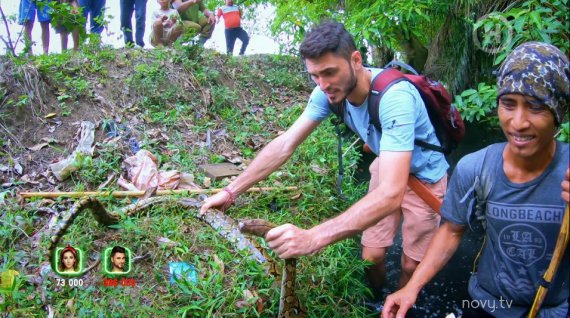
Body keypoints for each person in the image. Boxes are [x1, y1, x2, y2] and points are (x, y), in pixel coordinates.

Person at [200, 20, 449, 304]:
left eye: (330, 72)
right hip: (387, 165)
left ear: (356, 60)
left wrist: (313, 238)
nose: (323, 84)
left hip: (424, 178)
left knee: (409, 265)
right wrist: (232, 190)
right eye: (315, 75)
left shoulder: (395, 98)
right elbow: (285, 144)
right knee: (371, 256)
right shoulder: (326, 93)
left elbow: (391, 195)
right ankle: (376, 302)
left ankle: (402, 302)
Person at [382, 42, 569, 318]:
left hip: (554, 310)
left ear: (558, 112)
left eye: (535, 107)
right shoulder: (475, 168)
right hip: (485, 305)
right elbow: (451, 231)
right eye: (508, 104)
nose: (518, 122)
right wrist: (412, 287)